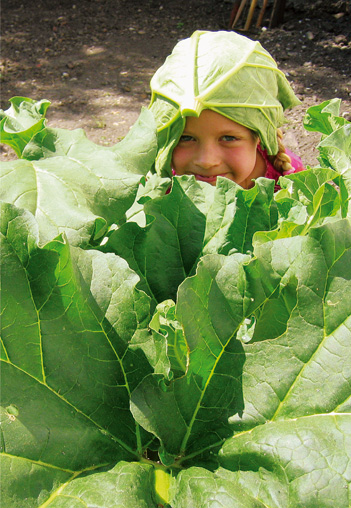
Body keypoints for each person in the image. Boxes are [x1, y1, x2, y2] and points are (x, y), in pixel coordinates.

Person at [146, 30, 305, 190]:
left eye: (228, 138)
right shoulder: (159, 187)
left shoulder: (290, 183)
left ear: (259, 136)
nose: (206, 161)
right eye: (185, 138)